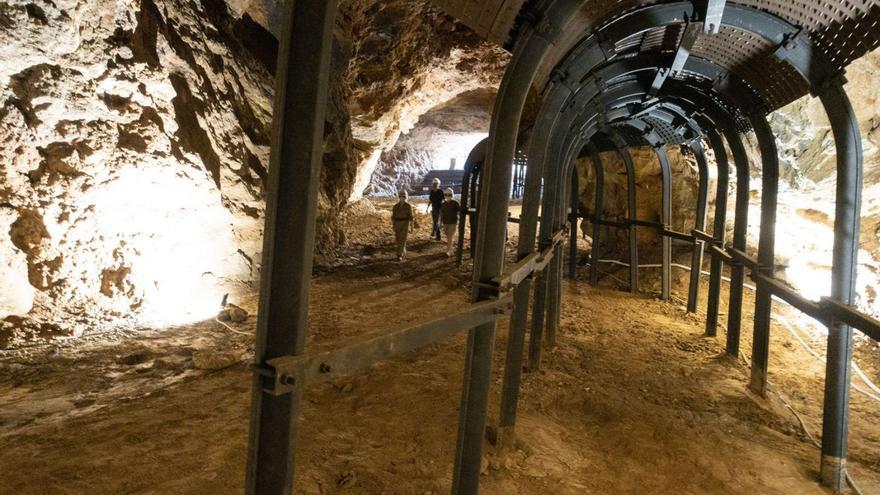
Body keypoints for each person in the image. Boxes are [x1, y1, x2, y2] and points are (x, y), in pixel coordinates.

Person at [391, 190, 415, 261]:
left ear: (406, 197)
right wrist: (393, 225)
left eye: (403, 196)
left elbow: (411, 217)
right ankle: (403, 252)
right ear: (399, 197)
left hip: (405, 223)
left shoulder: (408, 206)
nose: (402, 198)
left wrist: (412, 227)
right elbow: (393, 217)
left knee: (403, 239)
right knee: (398, 239)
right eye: (401, 196)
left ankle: (399, 255)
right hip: (397, 223)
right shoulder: (395, 206)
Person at [440, 187, 460, 257]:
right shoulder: (443, 204)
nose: (447, 196)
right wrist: (440, 223)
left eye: (449, 194)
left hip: (453, 222)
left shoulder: (455, 203)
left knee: (450, 237)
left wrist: (459, 221)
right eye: (446, 194)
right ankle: (451, 251)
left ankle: (448, 251)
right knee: (448, 236)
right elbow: (441, 214)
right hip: (445, 223)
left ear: (452, 195)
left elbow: (460, 212)